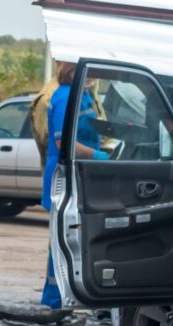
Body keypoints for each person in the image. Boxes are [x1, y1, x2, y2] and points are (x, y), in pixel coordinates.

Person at [40, 62, 109, 309]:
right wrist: (98, 156)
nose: (94, 76)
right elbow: (63, 142)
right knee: (62, 237)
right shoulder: (64, 97)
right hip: (64, 174)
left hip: (83, 172)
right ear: (74, 70)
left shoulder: (84, 96)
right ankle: (54, 299)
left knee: (79, 235)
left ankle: (75, 295)